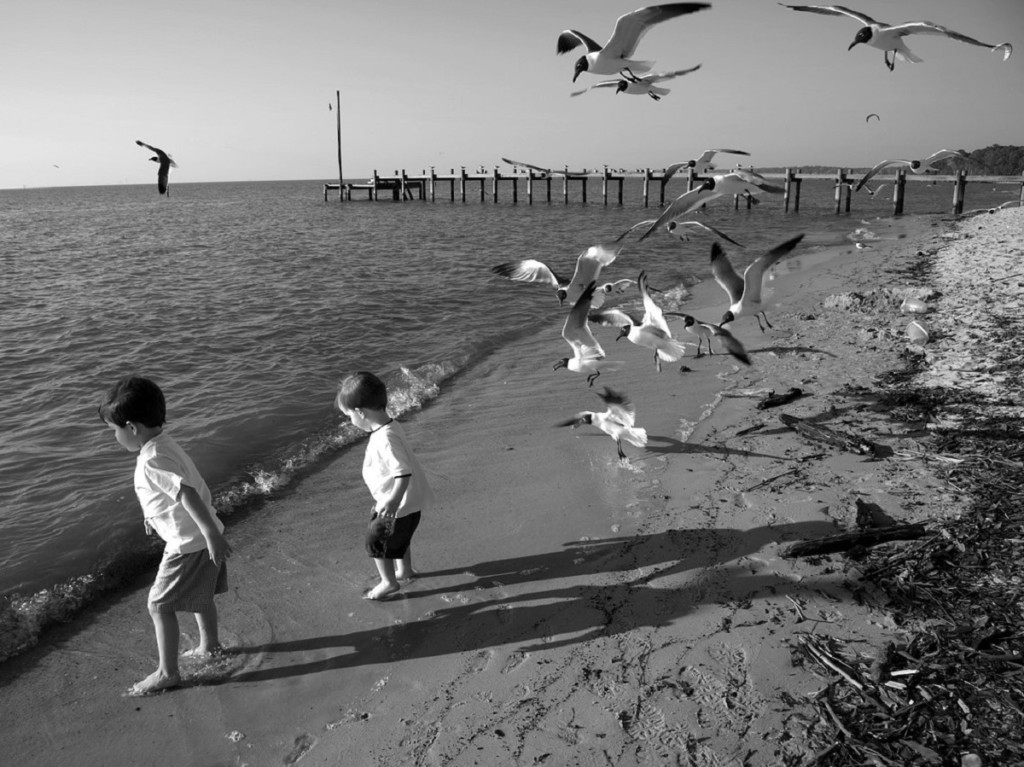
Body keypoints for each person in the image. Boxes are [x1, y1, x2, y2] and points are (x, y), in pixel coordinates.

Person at [98, 375, 231, 695]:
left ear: (132, 428)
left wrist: (211, 535)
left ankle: (167, 672)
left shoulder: (151, 459)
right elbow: (170, 491)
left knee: (159, 606)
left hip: (188, 543)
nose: (114, 438)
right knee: (201, 596)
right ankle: (210, 645)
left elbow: (186, 493)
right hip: (197, 536)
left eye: (113, 431)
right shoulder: (164, 444)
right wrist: (151, 516)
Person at [336, 371, 433, 600]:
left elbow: (402, 471)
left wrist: (392, 500)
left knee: (376, 542)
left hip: (396, 506)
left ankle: (389, 582)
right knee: (400, 539)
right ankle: (404, 570)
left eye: (348, 415)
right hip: (407, 504)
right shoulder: (390, 426)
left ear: (360, 412)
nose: (350, 420)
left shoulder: (385, 438)